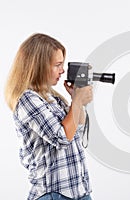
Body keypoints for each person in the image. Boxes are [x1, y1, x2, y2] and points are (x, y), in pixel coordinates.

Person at [4, 33, 93, 200]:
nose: (63, 70)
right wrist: (77, 102)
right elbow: (61, 138)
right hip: (54, 193)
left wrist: (77, 101)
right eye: (57, 65)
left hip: (78, 189)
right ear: (38, 66)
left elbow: (77, 129)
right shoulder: (27, 99)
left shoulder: (52, 96)